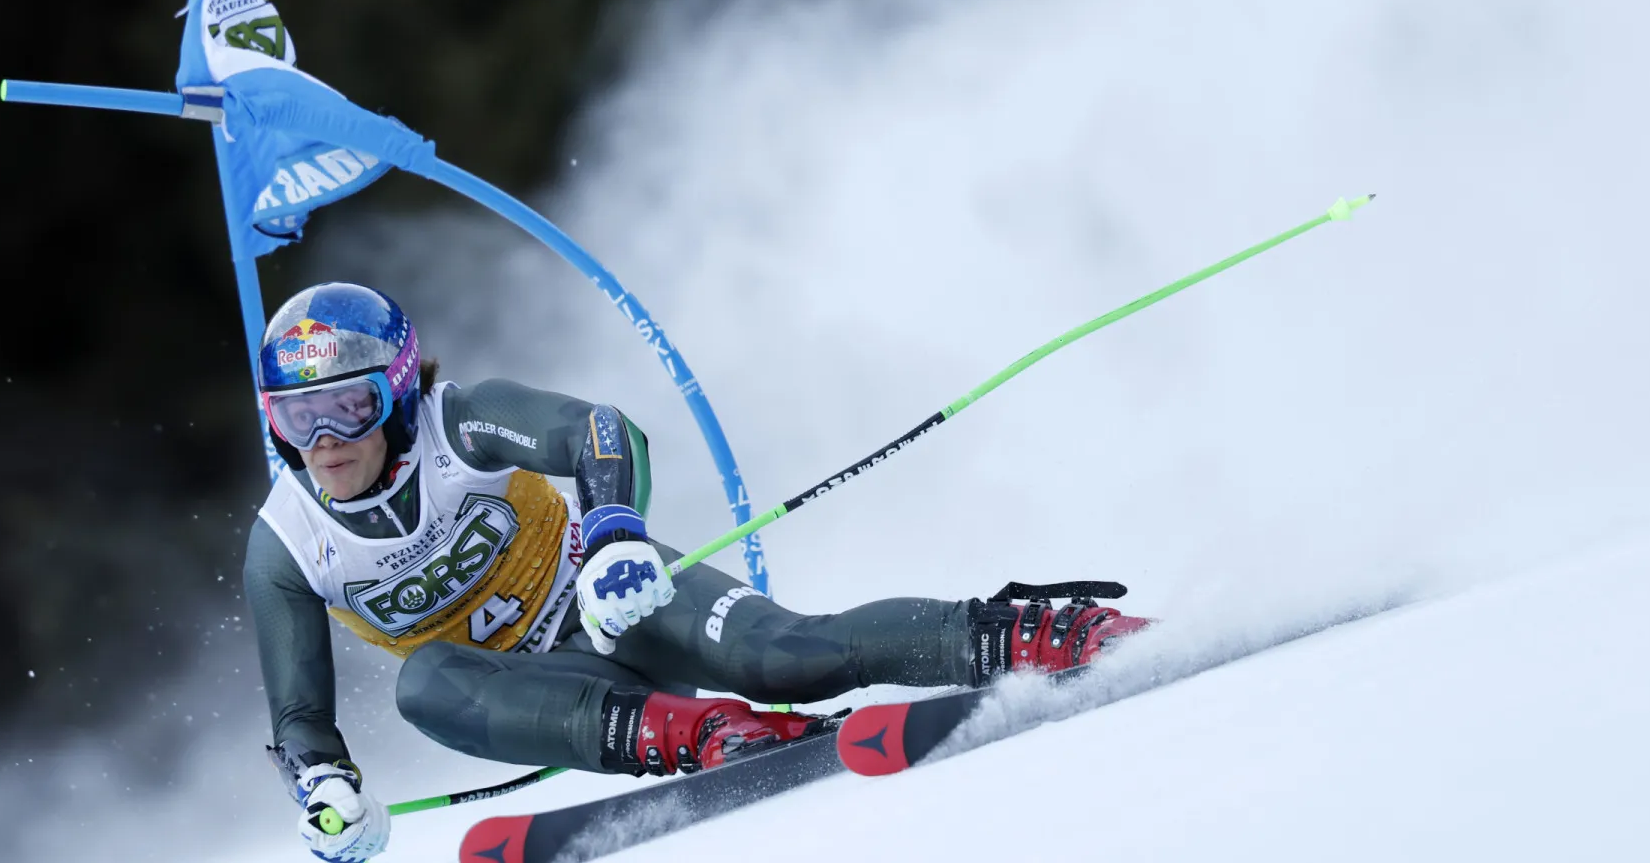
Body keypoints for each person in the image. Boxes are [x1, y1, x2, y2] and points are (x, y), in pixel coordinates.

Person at [245, 282, 1149, 862]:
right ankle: (717, 736)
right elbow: (299, 718)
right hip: (545, 691)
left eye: (348, 407)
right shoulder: (287, 541)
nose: (323, 441)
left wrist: (613, 536)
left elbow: (600, 430)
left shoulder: (459, 423)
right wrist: (326, 788)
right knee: (424, 683)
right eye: (295, 418)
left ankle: (1038, 633)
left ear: (399, 390)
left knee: (790, 656)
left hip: (617, 602)